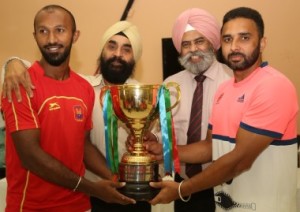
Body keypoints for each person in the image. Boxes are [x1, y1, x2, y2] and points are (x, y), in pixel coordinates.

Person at [148, 7, 298, 212]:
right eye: (228, 39)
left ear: (262, 43)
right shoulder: (225, 90)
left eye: (244, 38)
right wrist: (164, 151)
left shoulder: (273, 86)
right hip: (227, 204)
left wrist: (182, 189)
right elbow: (210, 146)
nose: (234, 46)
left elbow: (239, 161)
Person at [1, 20, 152, 212]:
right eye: (111, 46)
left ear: (134, 57)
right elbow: (45, 68)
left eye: (127, 49)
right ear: (102, 51)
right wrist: (12, 62)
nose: (117, 54)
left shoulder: (147, 97)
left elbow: (155, 148)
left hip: (133, 195)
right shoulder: (83, 87)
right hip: (91, 193)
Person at [141, 8, 232, 212]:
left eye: (200, 41)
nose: (193, 49)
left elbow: (220, 146)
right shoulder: (170, 85)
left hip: (224, 188)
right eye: (186, 44)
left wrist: (166, 151)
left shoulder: (232, 81)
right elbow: (161, 131)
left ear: (212, 42)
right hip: (182, 189)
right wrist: (153, 140)